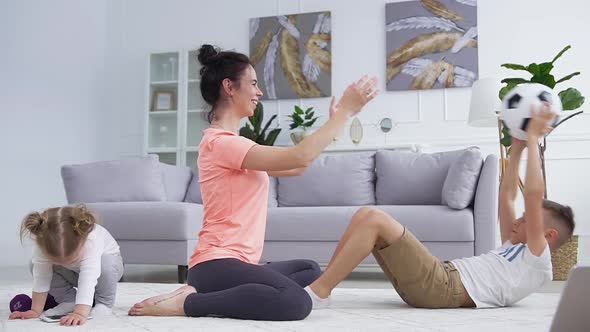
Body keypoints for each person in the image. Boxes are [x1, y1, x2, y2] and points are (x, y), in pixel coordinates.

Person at [128, 44, 379, 320]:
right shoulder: (219, 143)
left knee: (309, 270)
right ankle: (188, 304)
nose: (259, 92)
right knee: (296, 302)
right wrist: (344, 112)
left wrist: (337, 121)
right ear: (229, 87)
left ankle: (212, 292)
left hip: (237, 264)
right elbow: (300, 155)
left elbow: (299, 165)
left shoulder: (238, 145)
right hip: (216, 264)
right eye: (253, 84)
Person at [305, 104, 575, 309]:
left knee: (375, 218)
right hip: (438, 279)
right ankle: (323, 286)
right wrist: (516, 148)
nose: (517, 220)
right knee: (365, 214)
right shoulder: (512, 248)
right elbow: (507, 196)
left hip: (445, 286)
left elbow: (532, 194)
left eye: (526, 220)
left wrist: (532, 140)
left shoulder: (537, 260)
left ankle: (319, 292)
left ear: (547, 235)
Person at [9, 205, 123, 326]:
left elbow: (88, 279)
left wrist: (80, 313)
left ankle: (104, 303)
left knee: (106, 262)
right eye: (58, 261)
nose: (65, 264)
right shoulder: (42, 243)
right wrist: (35, 310)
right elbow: (41, 278)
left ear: (83, 241)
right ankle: (68, 300)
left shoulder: (91, 240)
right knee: (35, 265)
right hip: (72, 274)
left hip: (105, 272)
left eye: (71, 259)